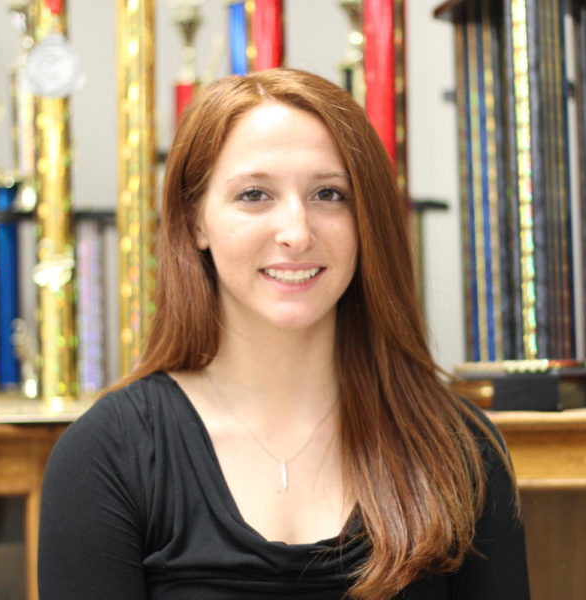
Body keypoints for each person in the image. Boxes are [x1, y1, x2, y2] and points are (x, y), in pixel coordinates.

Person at [38, 68, 530, 600]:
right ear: (196, 222)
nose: (297, 232)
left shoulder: (456, 447)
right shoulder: (106, 456)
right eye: (254, 194)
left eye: (329, 194)